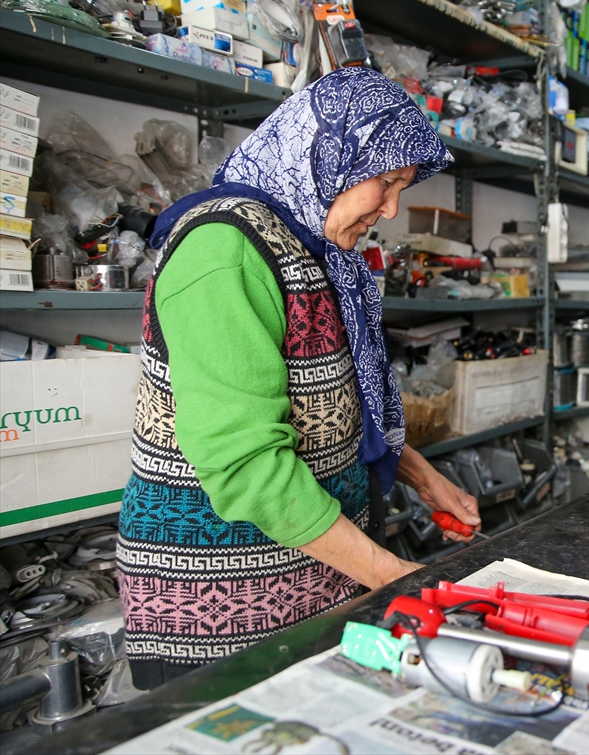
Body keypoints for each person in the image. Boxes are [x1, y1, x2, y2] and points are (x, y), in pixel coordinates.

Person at [117, 69, 481, 690]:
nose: (391, 209)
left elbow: (335, 403)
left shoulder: (307, 244)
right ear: (329, 156)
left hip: (318, 579)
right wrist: (396, 575)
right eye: (386, 182)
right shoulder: (223, 251)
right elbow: (245, 465)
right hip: (222, 605)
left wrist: (422, 477)